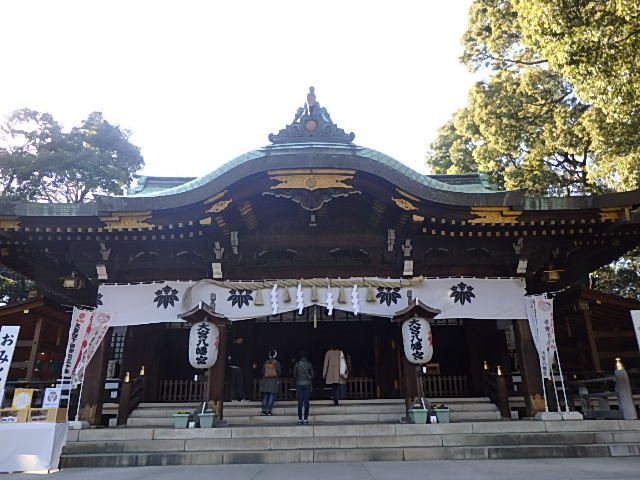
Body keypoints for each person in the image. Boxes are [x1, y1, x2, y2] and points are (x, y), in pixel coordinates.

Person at [293, 350, 314, 425]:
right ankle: (305, 419)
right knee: (306, 402)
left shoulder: (297, 364)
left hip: (299, 383)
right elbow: (312, 375)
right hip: (307, 384)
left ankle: (299, 419)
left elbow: (294, 375)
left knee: (300, 402)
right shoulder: (309, 364)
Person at [259, 349, 281, 416]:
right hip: (273, 381)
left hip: (266, 381)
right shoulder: (277, 363)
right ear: (275, 355)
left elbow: (262, 372)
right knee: (271, 396)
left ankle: (263, 410)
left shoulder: (265, 362)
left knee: (266, 396)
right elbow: (279, 372)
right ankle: (268, 411)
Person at [228, 336, 246, 401]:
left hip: (234, 367)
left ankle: (234, 398)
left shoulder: (232, 347)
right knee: (238, 383)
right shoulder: (237, 347)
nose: (241, 341)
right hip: (236, 367)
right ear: (237, 339)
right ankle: (238, 397)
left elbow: (229, 358)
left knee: (235, 383)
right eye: (241, 339)